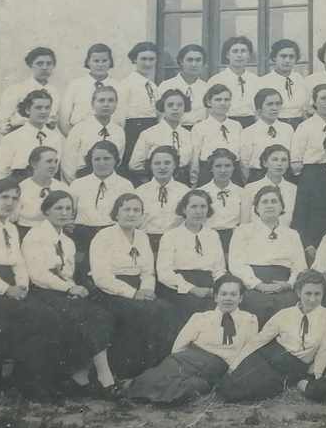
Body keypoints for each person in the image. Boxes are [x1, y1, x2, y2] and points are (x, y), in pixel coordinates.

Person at [0, 176, 62, 400]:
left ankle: (31, 379)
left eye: (14, 198)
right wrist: (6, 289)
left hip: (12, 286)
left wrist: (22, 286)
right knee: (35, 317)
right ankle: (30, 384)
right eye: (4, 197)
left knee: (50, 316)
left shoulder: (11, 228)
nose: (9, 202)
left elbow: (18, 262)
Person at [21, 190, 118, 396]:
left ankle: (81, 375)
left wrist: (72, 288)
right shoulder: (35, 236)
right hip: (41, 292)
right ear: (46, 211)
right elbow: (37, 274)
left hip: (62, 291)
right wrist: (69, 288)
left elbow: (67, 274)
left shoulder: (67, 242)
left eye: (67, 208)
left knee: (101, 314)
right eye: (58, 208)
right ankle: (104, 377)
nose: (64, 213)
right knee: (84, 316)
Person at [125, 274, 258, 405]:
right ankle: (134, 392)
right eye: (223, 294)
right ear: (216, 297)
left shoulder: (249, 320)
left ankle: (153, 397)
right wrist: (176, 360)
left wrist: (232, 370)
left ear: (240, 298)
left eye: (233, 294)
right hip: (187, 358)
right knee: (159, 375)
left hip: (216, 366)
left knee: (192, 387)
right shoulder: (201, 317)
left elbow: (248, 351)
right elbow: (180, 345)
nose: (228, 298)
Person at [89, 193, 175, 377]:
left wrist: (146, 290)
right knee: (138, 312)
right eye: (126, 209)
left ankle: (154, 369)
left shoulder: (142, 237)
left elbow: (148, 272)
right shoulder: (103, 236)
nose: (131, 214)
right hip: (111, 291)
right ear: (116, 213)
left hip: (140, 289)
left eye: (137, 210)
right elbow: (101, 277)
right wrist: (133, 293)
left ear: (142, 215)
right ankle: (126, 371)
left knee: (164, 310)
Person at [217, 270, 326, 402]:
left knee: (243, 393)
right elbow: (259, 340)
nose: (312, 299)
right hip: (268, 355)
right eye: (308, 293)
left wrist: (315, 377)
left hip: (292, 366)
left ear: (323, 294)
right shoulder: (284, 314)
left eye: (317, 294)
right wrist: (235, 364)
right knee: (228, 384)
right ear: (298, 293)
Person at [229, 185, 306, 326]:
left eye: (274, 201)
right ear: (256, 208)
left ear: (281, 207)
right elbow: (236, 264)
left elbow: (300, 266)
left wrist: (289, 284)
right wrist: (257, 284)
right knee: (254, 306)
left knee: (290, 307)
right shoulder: (243, 231)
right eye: (264, 202)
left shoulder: (292, 234)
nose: (269, 205)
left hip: (284, 286)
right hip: (253, 285)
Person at [155, 189, 227, 329]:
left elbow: (219, 269)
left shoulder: (212, 235)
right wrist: (192, 289)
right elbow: (164, 273)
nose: (199, 211)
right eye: (193, 207)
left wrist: (218, 289)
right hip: (179, 286)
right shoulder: (170, 236)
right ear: (184, 209)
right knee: (193, 307)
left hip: (208, 284)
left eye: (203, 207)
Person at [67, 140, 134, 272]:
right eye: (97, 159)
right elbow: (70, 213)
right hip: (83, 238)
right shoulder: (77, 184)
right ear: (90, 161)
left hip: (113, 237)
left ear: (116, 160)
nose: (102, 163)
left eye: (107, 159)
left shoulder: (125, 185)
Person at [0, 90, 64, 182]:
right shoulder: (12, 138)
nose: (43, 112)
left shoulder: (55, 137)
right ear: (28, 110)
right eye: (38, 108)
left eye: (47, 108)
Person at [61, 84, 126, 184]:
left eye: (110, 100)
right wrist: (78, 183)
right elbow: (68, 162)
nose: (106, 104)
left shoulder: (119, 131)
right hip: (82, 178)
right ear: (92, 104)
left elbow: (118, 160)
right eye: (101, 100)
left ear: (116, 104)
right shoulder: (80, 128)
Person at [128, 88, 194, 183]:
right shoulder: (149, 134)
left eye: (180, 105)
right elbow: (134, 165)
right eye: (170, 105)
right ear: (163, 107)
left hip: (182, 182)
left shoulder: (189, 135)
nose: (175, 108)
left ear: (185, 108)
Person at [0, 46, 60, 135]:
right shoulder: (16, 90)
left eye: (49, 64)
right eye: (40, 63)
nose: (44, 67)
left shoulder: (54, 92)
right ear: (30, 65)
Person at [135, 146, 189, 254]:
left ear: (175, 165)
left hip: (177, 244)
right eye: (157, 163)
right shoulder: (139, 192)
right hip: (146, 244)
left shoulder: (185, 192)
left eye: (167, 163)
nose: (162, 167)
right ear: (150, 166)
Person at [188, 83, 243, 186]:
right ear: (209, 102)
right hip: (208, 173)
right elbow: (195, 158)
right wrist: (194, 181)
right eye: (218, 100)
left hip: (233, 173)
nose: (223, 103)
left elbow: (241, 154)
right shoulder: (199, 127)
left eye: (226, 100)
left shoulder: (236, 126)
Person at [117, 41, 162, 166]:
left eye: (151, 59)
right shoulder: (126, 84)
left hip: (151, 127)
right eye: (143, 59)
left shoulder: (152, 86)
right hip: (133, 131)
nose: (148, 63)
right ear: (134, 60)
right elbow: (120, 116)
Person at [59, 42, 118, 134]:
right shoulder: (75, 85)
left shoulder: (118, 86)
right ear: (88, 62)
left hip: (108, 135)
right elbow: (63, 120)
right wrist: (73, 138)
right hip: (80, 134)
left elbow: (121, 119)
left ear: (110, 62)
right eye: (96, 61)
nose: (100, 65)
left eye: (104, 61)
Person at [239, 88, 294, 183]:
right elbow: (244, 163)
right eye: (269, 104)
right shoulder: (248, 132)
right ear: (259, 109)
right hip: (258, 176)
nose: (274, 108)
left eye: (278, 104)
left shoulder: (288, 129)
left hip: (284, 177)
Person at [289, 82, 326, 175]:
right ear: (314, 102)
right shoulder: (304, 127)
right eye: (323, 98)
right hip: (312, 173)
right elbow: (296, 162)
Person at [14, 146, 69, 235]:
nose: (53, 165)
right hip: (27, 233)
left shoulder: (62, 187)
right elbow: (13, 218)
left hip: (55, 234)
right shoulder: (21, 188)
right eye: (49, 161)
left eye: (56, 162)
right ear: (34, 164)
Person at [207, 35, 259, 127]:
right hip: (225, 123)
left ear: (249, 55)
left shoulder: (256, 80)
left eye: (243, 51)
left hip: (251, 123)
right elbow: (209, 109)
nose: (239, 55)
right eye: (235, 51)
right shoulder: (216, 80)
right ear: (227, 55)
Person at [241, 144, 297, 228]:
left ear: (288, 164)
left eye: (284, 160)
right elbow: (244, 222)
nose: (279, 164)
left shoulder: (294, 189)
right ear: (265, 163)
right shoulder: (250, 188)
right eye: (275, 159)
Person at [199, 148, 243, 253]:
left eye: (227, 166)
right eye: (218, 166)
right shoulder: (201, 193)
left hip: (234, 239)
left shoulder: (242, 193)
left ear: (233, 168)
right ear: (211, 168)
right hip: (208, 238)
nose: (223, 170)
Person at [258, 39, 308, 126]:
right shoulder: (264, 81)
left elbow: (304, 108)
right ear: (274, 57)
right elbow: (259, 112)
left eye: (291, 57)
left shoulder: (300, 79)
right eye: (283, 56)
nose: (287, 60)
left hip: (299, 124)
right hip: (275, 124)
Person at [157, 43, 207, 127]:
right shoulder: (166, 86)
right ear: (181, 62)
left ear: (203, 63)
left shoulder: (206, 87)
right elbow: (160, 116)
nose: (194, 64)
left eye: (198, 60)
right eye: (189, 60)